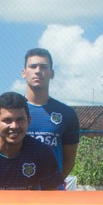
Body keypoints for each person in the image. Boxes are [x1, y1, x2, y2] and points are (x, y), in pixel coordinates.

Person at [22, 48, 80, 181]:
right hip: (17, 187)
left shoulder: (67, 114)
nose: (38, 71)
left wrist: (53, 184)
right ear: (24, 73)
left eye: (43, 67)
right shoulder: (11, 111)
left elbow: (69, 160)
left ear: (51, 73)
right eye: (32, 66)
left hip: (51, 189)